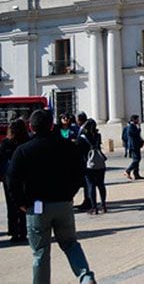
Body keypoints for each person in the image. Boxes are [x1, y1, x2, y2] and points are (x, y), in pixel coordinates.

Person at [6, 109, 96, 284]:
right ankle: (85, 276)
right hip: (63, 203)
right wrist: (70, 194)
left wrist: (21, 203)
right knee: (70, 244)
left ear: (31, 127)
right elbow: (79, 174)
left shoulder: (23, 151)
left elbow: (12, 180)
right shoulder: (68, 146)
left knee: (40, 252)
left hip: (36, 206)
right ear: (52, 125)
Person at [0, 119, 30, 242]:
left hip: (9, 177)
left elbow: (1, 160)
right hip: (25, 177)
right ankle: (23, 230)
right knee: (23, 203)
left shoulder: (6, 142)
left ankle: (13, 231)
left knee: (11, 204)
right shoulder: (27, 141)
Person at [76, 119, 107, 215]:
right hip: (100, 163)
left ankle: (94, 207)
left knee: (91, 185)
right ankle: (103, 205)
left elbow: (79, 151)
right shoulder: (98, 136)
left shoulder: (82, 138)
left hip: (88, 164)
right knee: (101, 185)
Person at [124, 114, 144, 180]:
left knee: (137, 159)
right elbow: (134, 134)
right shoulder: (131, 126)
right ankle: (128, 170)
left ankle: (136, 174)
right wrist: (139, 129)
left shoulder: (134, 126)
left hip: (136, 145)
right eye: (137, 119)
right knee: (137, 159)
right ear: (134, 120)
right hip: (133, 146)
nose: (138, 121)